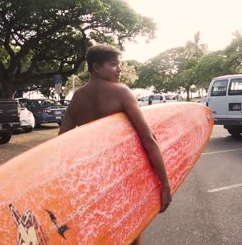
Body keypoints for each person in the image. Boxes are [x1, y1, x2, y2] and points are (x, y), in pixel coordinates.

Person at [58, 44, 172, 244]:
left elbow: (61, 144)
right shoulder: (121, 92)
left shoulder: (77, 98)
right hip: (120, 174)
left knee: (105, 231)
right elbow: (149, 139)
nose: (119, 69)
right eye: (113, 65)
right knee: (130, 230)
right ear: (95, 68)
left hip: (92, 178)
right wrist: (165, 184)